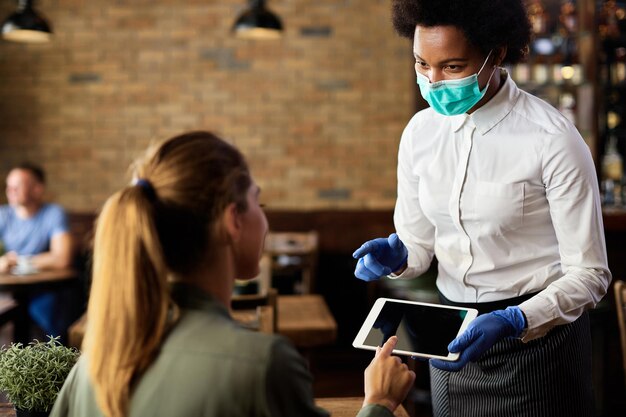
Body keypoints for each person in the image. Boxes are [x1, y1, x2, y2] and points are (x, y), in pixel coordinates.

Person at [352, 1, 611, 416]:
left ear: (498, 52)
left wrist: (516, 320)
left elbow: (591, 275)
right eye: (422, 63)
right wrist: (399, 256)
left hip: (539, 345)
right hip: (453, 340)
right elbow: (420, 248)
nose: (433, 82)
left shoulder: (552, 139)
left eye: (452, 67)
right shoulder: (420, 133)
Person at [50, 131, 416, 417]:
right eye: (259, 202)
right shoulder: (263, 363)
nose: (265, 217)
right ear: (233, 220)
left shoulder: (93, 364)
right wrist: (380, 403)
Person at [0, 162, 77, 340]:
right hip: (9, 290)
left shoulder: (53, 213)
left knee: (52, 320)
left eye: (17, 186)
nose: (10, 190)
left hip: (45, 289)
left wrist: (16, 261)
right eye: (8, 186)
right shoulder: (3, 215)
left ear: (37, 189)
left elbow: (62, 258)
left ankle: (61, 364)